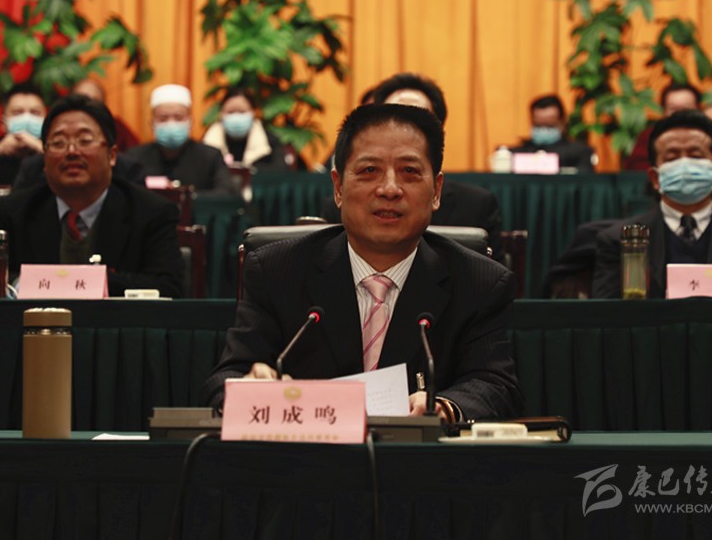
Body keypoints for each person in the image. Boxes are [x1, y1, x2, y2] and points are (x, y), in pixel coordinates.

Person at [204, 103, 523, 421]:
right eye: (369, 171)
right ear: (338, 188)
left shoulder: (479, 281)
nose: (389, 189)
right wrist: (249, 388)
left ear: (436, 191)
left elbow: (496, 386)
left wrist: (445, 407)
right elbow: (224, 381)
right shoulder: (276, 271)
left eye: (409, 172)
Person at [0, 94, 183, 298]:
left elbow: (167, 287)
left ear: (112, 155)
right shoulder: (14, 212)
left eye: (85, 141)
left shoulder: (152, 212)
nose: (72, 151)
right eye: (58, 143)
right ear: (44, 157)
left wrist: (82, 282)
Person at [593, 110, 712, 298]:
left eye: (695, 156)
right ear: (654, 178)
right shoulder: (617, 241)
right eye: (672, 157)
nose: (684, 165)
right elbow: (607, 315)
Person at [357, 72, 506, 263]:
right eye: (395, 121)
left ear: (439, 136)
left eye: (417, 124)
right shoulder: (346, 205)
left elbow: (492, 277)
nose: (404, 134)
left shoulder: (476, 206)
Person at [125, 84, 237, 195]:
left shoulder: (210, 157)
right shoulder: (135, 158)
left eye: (178, 118)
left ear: (190, 122)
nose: (171, 124)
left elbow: (226, 193)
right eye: (163, 119)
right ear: (152, 124)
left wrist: (188, 198)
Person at [201, 88, 288, 171]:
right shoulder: (207, 143)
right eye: (230, 112)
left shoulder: (270, 142)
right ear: (221, 114)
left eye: (242, 112)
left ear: (254, 112)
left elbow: (280, 174)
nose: (236, 117)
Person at [621, 82, 701, 171]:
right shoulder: (649, 136)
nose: (679, 114)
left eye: (686, 109)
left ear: (698, 109)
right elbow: (637, 167)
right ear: (664, 111)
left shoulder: (707, 135)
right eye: (673, 109)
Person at [509, 94, 596, 173]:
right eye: (538, 126)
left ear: (562, 123)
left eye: (549, 126)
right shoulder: (517, 154)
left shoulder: (579, 153)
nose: (544, 130)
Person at [71, 78, 139, 152]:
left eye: (93, 102)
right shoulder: (65, 127)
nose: (87, 107)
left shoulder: (116, 127)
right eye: (81, 102)